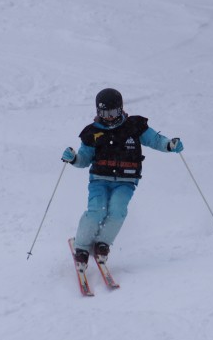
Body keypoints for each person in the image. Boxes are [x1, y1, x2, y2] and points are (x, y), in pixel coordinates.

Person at [62, 88, 184, 271]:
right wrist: (74, 159)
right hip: (99, 180)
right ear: (98, 111)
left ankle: (103, 243)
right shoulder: (92, 132)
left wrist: (169, 144)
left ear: (120, 109)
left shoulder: (134, 126)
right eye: (104, 113)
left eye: (113, 112)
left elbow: (155, 140)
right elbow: (84, 159)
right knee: (96, 211)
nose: (109, 117)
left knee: (118, 211)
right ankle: (82, 247)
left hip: (126, 181)